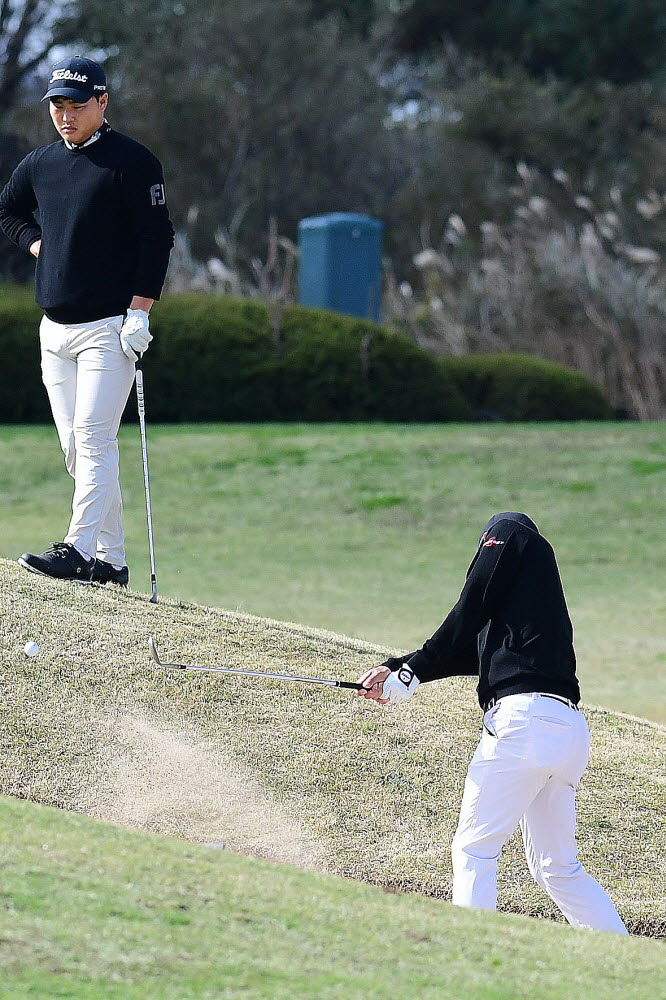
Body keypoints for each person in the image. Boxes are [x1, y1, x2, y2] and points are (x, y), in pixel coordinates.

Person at [357, 512, 628, 934]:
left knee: (474, 850)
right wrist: (399, 668)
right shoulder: (528, 618)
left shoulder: (509, 534)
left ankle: (472, 953)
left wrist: (408, 676)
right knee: (557, 867)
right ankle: (627, 962)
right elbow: (467, 652)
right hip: (568, 732)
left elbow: (469, 605)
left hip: (524, 724)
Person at [0, 55, 174, 586]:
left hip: (109, 328)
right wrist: (36, 244)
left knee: (95, 440)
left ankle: (76, 549)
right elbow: (7, 209)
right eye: (57, 105)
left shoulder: (132, 162)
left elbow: (157, 238)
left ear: (102, 102)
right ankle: (112, 561)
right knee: (78, 449)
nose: (65, 115)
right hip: (54, 329)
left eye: (77, 105)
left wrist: (140, 311)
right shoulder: (41, 164)